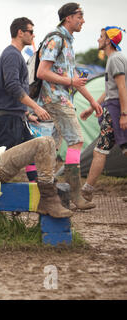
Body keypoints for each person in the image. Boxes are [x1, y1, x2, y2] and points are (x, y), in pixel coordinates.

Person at [36, 3, 102, 210]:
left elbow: (71, 77)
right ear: (68, 18)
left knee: (51, 147)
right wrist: (71, 83)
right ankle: (76, 195)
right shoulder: (56, 39)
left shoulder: (67, 41)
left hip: (58, 99)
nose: (83, 20)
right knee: (76, 142)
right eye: (80, 16)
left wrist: (92, 101)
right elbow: (42, 72)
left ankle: (46, 194)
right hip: (56, 100)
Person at [0, 17, 51, 182]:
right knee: (1, 165)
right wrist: (36, 108)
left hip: (16, 116)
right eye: (30, 31)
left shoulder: (15, 55)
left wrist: (26, 113)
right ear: (20, 32)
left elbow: (14, 90)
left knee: (31, 156)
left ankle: (38, 191)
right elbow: (12, 86)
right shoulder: (11, 55)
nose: (33, 35)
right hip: (7, 119)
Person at [79, 26, 127, 203]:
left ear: (108, 41)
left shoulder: (115, 59)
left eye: (101, 37)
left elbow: (122, 88)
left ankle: (87, 190)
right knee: (102, 149)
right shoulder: (114, 59)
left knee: (105, 150)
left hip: (118, 109)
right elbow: (110, 90)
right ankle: (87, 190)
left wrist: (123, 114)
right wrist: (93, 107)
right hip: (113, 109)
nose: (98, 40)